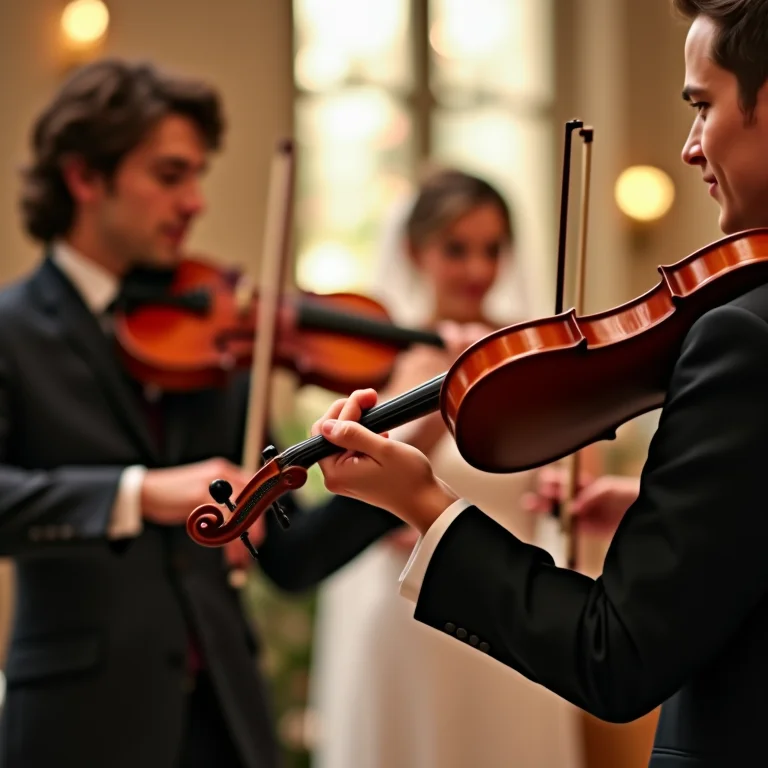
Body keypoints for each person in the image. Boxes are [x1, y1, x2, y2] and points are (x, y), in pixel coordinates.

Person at [307, 1, 768, 764]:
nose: (690, 147)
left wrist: (424, 501)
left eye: (702, 105)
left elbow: (615, 657)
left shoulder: (742, 335)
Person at [0, 58, 466, 768]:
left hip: (225, 721)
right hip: (77, 725)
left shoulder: (216, 335)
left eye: (198, 176)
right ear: (84, 177)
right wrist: (137, 493)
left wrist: (418, 424)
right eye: (169, 175)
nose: (195, 202)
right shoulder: (12, 330)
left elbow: (295, 556)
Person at [309, 170, 583, 768]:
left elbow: (554, 482)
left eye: (492, 249)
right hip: (409, 611)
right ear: (415, 252)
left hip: (513, 602)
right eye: (456, 250)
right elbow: (357, 496)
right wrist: (431, 388)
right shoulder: (386, 361)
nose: (478, 270)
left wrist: (564, 489)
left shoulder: (531, 354)